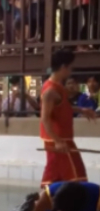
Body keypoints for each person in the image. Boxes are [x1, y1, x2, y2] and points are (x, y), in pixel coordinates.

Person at [40, 49, 96, 188]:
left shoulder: (59, 87)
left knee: (60, 178)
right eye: (70, 67)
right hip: (57, 141)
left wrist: (81, 109)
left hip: (64, 139)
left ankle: (46, 205)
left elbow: (63, 107)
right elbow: (45, 119)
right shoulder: (50, 91)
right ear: (64, 67)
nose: (71, 70)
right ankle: (41, 205)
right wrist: (57, 141)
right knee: (75, 177)